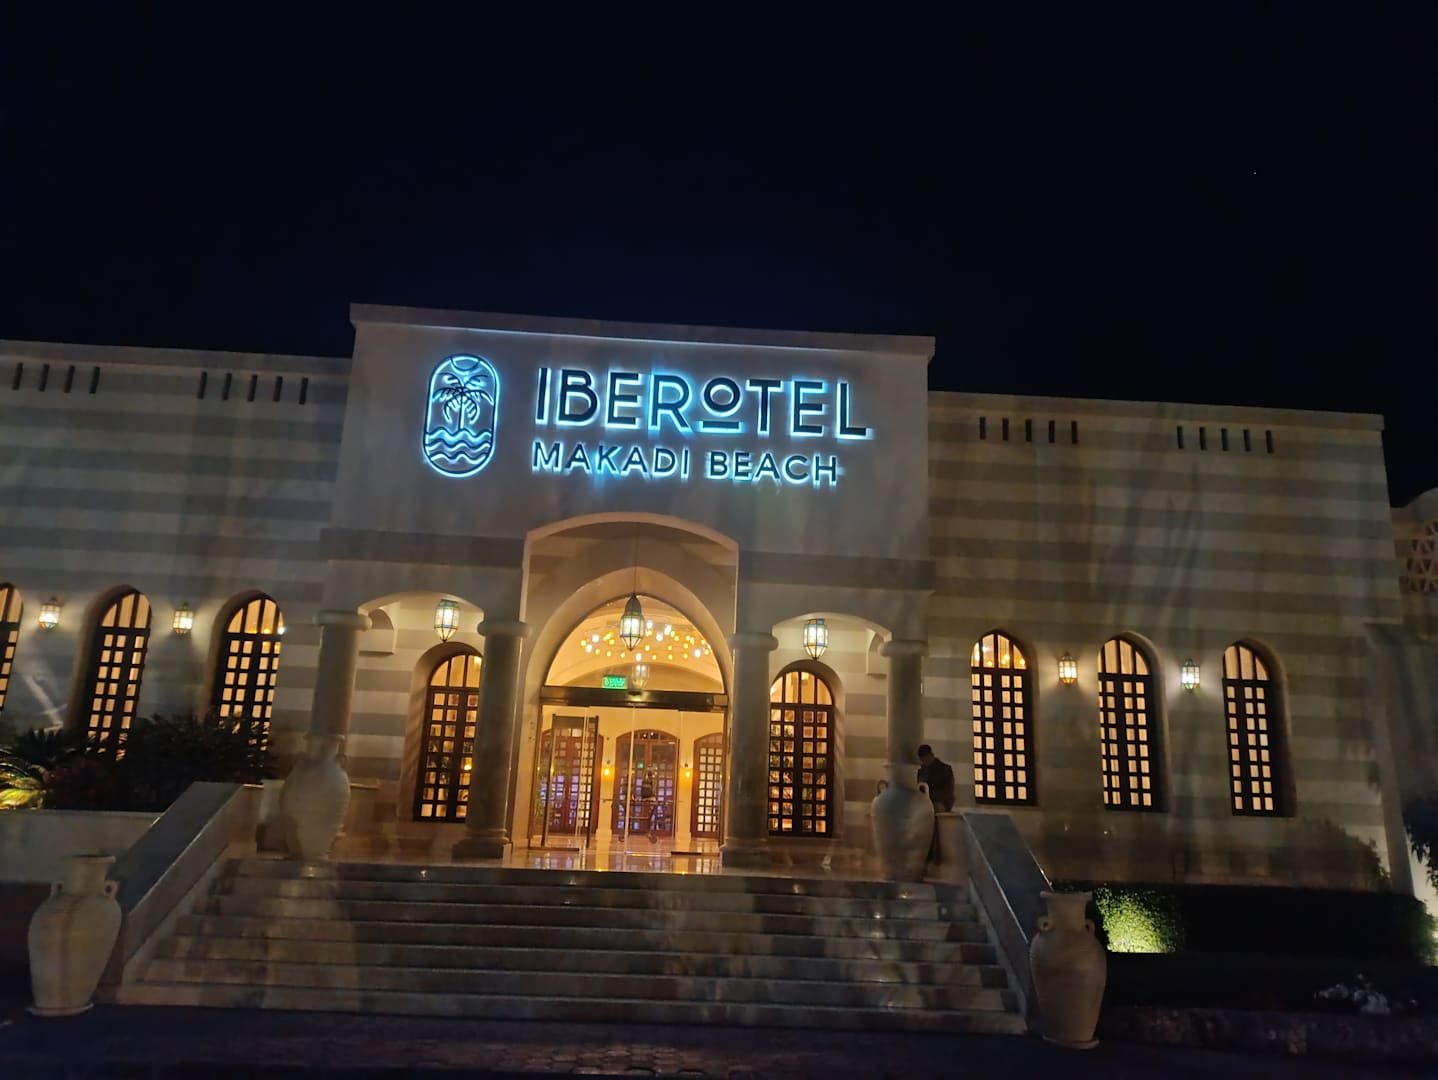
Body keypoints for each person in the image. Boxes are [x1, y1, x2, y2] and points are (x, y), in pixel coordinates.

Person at [917, 744, 955, 867]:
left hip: (940, 801)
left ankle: (934, 854)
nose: (925, 762)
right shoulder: (921, 771)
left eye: (926, 759)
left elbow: (948, 791)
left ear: (931, 756)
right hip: (925, 802)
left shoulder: (944, 769)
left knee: (931, 816)